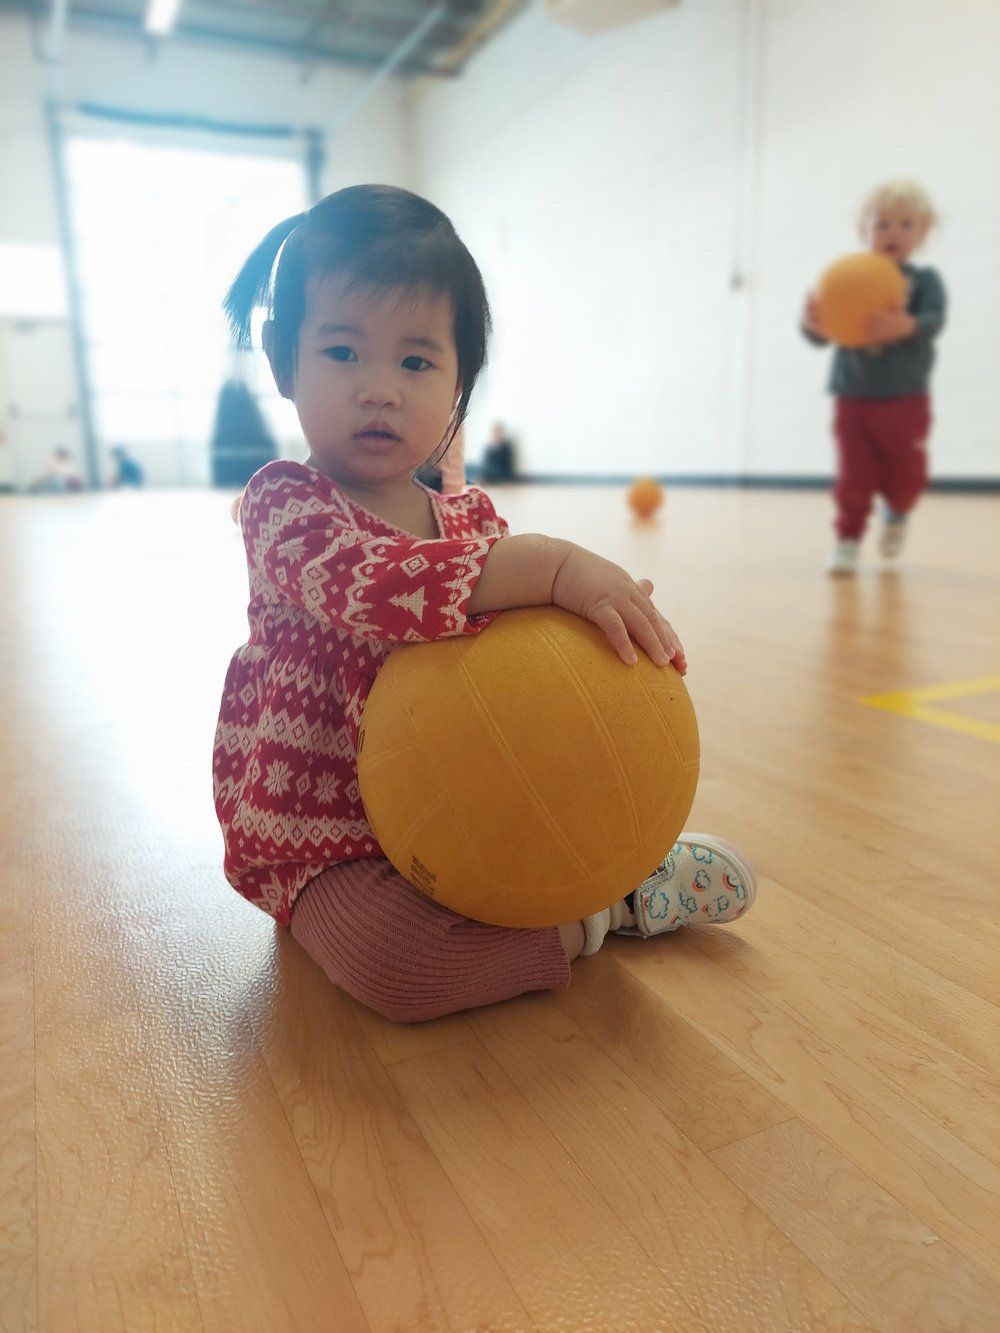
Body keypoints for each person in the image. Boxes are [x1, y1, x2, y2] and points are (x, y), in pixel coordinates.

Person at [212, 185, 756, 1024]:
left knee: (535, 827)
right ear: (285, 362)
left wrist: (586, 625)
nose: (380, 389)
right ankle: (603, 914)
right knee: (395, 968)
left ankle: (623, 865)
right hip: (328, 836)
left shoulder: (469, 518)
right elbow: (384, 588)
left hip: (469, 809)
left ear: (462, 379)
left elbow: (511, 664)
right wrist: (551, 566)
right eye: (344, 352)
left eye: (417, 361)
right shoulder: (286, 506)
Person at [801, 180, 946, 575]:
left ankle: (897, 512)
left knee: (907, 474)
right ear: (865, 232)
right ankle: (847, 538)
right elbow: (823, 332)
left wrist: (908, 324)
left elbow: (935, 321)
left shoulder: (925, 281)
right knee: (854, 475)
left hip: (905, 397)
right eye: (882, 224)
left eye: (905, 224)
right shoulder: (849, 277)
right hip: (853, 395)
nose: (893, 232)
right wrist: (813, 323)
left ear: (922, 233)